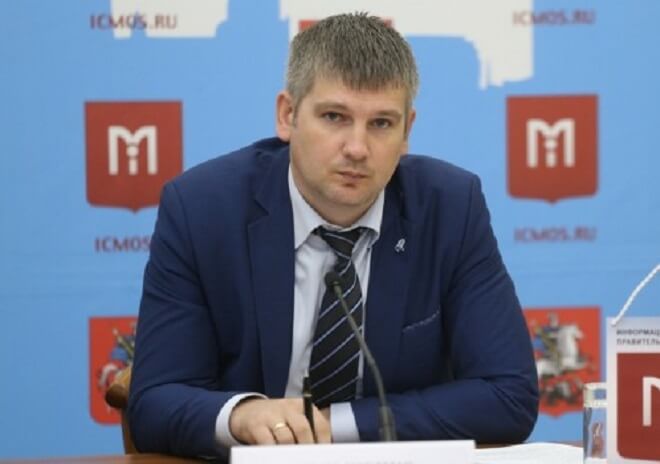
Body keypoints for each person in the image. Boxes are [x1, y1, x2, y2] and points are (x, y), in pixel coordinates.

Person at [128, 12, 539, 458]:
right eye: (334, 116)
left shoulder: (450, 208)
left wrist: (334, 424)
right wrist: (242, 416)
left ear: (407, 132)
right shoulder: (203, 209)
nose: (357, 148)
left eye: (381, 123)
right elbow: (154, 402)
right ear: (287, 115)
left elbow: (509, 395)